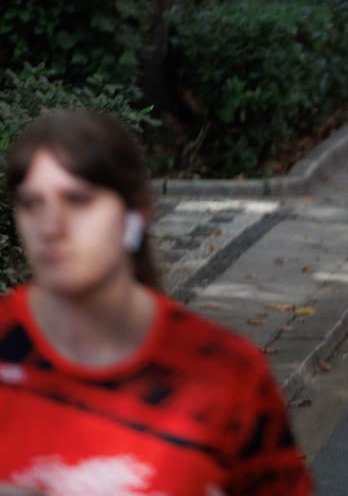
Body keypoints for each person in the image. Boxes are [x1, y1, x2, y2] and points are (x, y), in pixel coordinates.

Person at [0, 111, 312, 493]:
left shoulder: (230, 376)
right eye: (32, 204)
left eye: (78, 200)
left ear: (137, 212)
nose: (50, 227)